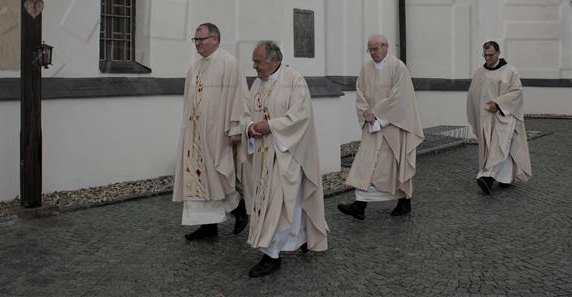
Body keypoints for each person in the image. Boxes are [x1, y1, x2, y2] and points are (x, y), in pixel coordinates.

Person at [241, 41, 328, 277]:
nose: (254, 67)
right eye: (254, 62)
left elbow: (300, 116)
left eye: (258, 62)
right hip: (262, 155)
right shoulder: (257, 84)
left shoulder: (294, 80)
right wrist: (248, 128)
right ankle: (299, 238)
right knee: (286, 204)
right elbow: (246, 113)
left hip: (286, 154)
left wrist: (270, 126)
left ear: (273, 60)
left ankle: (271, 255)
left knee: (278, 205)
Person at [172, 23, 248, 240]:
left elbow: (239, 96)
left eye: (201, 40)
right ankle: (207, 225)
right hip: (195, 133)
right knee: (197, 179)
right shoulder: (195, 68)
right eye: (195, 40)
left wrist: (236, 127)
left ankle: (238, 208)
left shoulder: (229, 63)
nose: (197, 44)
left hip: (217, 132)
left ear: (215, 39)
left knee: (218, 174)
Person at [338, 35, 424, 220]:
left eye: (375, 49)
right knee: (367, 165)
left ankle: (404, 201)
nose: (372, 53)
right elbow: (360, 93)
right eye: (369, 50)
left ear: (386, 47)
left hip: (393, 126)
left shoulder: (398, 67)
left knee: (392, 167)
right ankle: (360, 205)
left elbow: (400, 98)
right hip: (372, 128)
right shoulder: (366, 69)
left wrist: (376, 113)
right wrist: (366, 114)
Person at [466, 41, 532, 195]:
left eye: (491, 55)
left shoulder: (510, 71)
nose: (487, 58)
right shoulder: (479, 72)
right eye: (485, 55)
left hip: (505, 116)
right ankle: (505, 179)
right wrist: (479, 110)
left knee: (500, 146)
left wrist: (498, 104)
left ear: (498, 53)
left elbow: (517, 92)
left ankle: (487, 178)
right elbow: (473, 94)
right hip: (485, 117)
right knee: (493, 148)